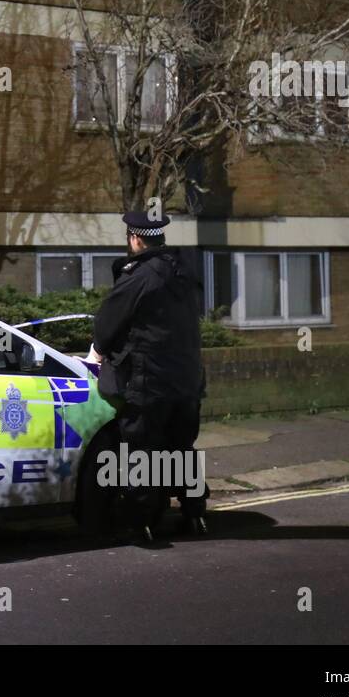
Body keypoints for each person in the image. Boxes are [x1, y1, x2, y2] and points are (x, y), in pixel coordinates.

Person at [85, 211, 206, 542]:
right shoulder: (184, 271)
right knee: (181, 447)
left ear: (135, 239)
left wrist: (95, 355)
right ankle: (195, 514)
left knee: (144, 452)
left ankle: (144, 523)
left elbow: (107, 323)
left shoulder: (140, 275)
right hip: (188, 381)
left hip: (150, 382)